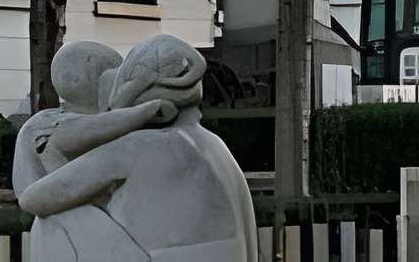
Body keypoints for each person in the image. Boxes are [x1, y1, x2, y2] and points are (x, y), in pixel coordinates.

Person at [16, 36, 255, 262]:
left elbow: (33, 199)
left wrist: (53, 150)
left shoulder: (137, 147)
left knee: (48, 221)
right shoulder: (216, 145)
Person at [18, 41, 156, 262]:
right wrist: (150, 109)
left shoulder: (48, 121)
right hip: (65, 216)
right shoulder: (51, 124)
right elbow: (101, 126)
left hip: (66, 215)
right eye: (113, 78)